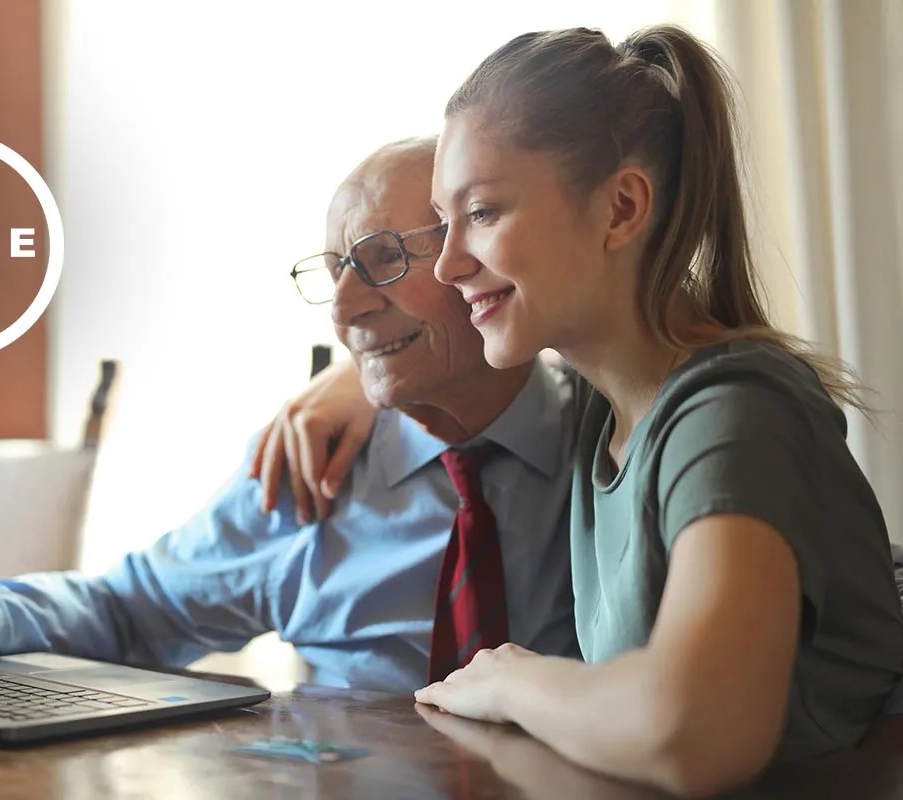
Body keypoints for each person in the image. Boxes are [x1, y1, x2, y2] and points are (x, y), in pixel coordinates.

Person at [255, 25, 903, 796]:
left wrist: (506, 680)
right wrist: (361, 381)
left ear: (622, 208)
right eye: (444, 221)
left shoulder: (736, 414)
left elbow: (692, 731)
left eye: (484, 213)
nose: (453, 262)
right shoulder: (608, 414)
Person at [0, 136, 579, 696]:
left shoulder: (620, 436)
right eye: (333, 268)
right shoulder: (311, 468)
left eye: (383, 258)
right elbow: (126, 610)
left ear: (485, 253)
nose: (343, 307)